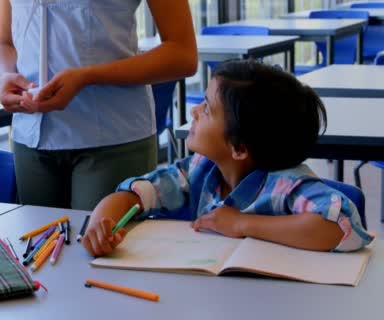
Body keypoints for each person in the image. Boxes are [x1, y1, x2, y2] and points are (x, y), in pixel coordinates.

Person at [82, 59, 373, 256]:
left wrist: (241, 224)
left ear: (239, 148)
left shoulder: (283, 184)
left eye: (207, 108)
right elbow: (135, 195)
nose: (194, 111)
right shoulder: (198, 171)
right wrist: (101, 223)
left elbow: (342, 225)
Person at [0, 0, 198, 210]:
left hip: (113, 137)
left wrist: (88, 76)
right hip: (31, 138)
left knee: (101, 241)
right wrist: (4, 74)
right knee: (37, 242)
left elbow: (183, 53)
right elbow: (4, 44)